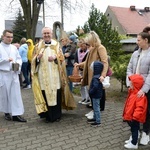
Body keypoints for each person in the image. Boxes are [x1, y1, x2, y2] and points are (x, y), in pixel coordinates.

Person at [31, 27, 76, 123]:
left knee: (56, 94)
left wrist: (56, 57)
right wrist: (38, 58)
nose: (46, 35)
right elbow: (33, 61)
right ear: (42, 35)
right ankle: (47, 116)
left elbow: (62, 58)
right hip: (43, 76)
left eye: (48, 33)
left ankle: (57, 116)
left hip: (55, 75)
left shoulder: (56, 45)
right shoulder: (38, 46)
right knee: (45, 94)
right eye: (44, 33)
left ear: (51, 34)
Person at [75, 31, 108, 120]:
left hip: (96, 76)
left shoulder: (100, 48)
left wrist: (103, 75)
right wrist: (80, 64)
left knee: (95, 95)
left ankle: (96, 113)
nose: (87, 44)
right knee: (92, 94)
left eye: (88, 42)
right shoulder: (92, 49)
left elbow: (105, 62)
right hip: (90, 75)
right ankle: (94, 110)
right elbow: (88, 62)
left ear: (93, 40)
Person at [126, 32, 150, 146]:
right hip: (134, 88)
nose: (137, 42)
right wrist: (129, 81)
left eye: (139, 40)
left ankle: (145, 133)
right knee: (131, 111)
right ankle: (135, 134)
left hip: (145, 89)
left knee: (146, 112)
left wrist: (144, 89)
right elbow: (129, 68)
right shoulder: (135, 53)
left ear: (146, 40)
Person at [0, 29, 26, 122]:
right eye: (8, 37)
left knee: (15, 95)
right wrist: (6, 60)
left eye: (11, 37)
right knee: (5, 94)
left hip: (14, 73)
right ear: (3, 37)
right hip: (4, 74)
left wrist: (17, 65)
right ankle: (7, 112)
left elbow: (19, 58)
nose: (10, 39)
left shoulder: (14, 48)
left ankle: (16, 114)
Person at [123, 74, 147, 149]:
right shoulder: (132, 92)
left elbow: (140, 108)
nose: (130, 85)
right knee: (133, 129)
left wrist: (135, 117)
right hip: (130, 116)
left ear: (136, 85)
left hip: (134, 118)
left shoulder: (139, 96)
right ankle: (133, 139)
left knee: (134, 129)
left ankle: (134, 143)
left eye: (131, 83)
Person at [87, 61, 104, 127]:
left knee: (96, 108)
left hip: (95, 95)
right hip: (97, 95)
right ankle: (95, 118)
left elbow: (95, 87)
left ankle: (98, 121)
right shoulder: (98, 76)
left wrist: (90, 91)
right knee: (95, 107)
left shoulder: (95, 78)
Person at [74, 39, 90, 105]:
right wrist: (76, 64)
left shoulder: (88, 52)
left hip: (86, 70)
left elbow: (87, 61)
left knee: (86, 85)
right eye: (80, 46)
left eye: (83, 46)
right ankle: (83, 98)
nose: (82, 48)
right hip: (79, 69)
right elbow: (75, 59)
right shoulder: (77, 51)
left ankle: (88, 98)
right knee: (81, 85)